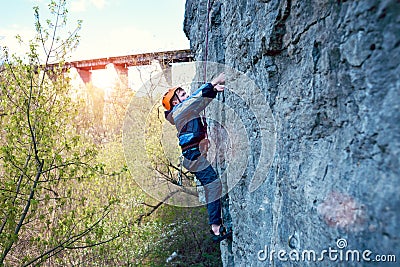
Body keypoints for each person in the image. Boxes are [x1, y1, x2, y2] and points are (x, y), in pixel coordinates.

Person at [162, 73, 231, 242]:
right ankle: (215, 228)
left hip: (193, 154)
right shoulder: (177, 112)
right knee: (213, 185)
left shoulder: (184, 110)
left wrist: (213, 90)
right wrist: (214, 82)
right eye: (183, 95)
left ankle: (216, 226)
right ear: (176, 102)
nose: (187, 95)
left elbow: (198, 102)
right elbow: (195, 99)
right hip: (193, 155)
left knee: (212, 185)